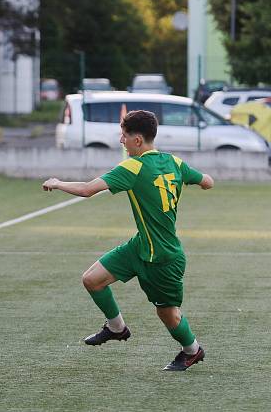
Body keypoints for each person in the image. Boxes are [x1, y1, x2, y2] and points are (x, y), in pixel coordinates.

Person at [41, 110, 213, 371]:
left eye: (124, 135)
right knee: (92, 280)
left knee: (168, 315)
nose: (121, 140)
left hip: (163, 258)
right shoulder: (175, 162)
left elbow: (88, 190)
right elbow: (208, 182)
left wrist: (57, 182)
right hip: (139, 246)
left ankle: (192, 350)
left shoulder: (134, 167)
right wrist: (195, 182)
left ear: (138, 141)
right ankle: (117, 328)